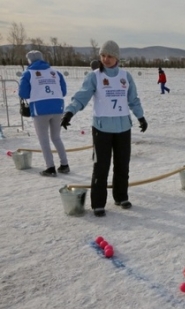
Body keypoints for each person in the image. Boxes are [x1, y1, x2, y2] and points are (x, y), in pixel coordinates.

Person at [60, 40, 148, 217]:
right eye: (103, 55)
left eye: (110, 56)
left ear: (117, 58)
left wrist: (141, 116)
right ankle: (98, 203)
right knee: (101, 166)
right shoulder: (95, 76)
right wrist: (69, 112)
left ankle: (121, 196)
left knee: (122, 165)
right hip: (102, 129)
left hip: (123, 128)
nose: (106, 59)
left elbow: (133, 99)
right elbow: (82, 97)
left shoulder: (125, 76)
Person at [18, 50, 70, 177]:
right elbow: (63, 92)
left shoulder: (28, 73)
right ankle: (64, 164)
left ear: (29, 61)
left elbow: (23, 93)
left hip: (40, 109)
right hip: (57, 107)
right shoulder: (56, 73)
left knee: (44, 139)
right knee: (56, 137)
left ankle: (50, 167)